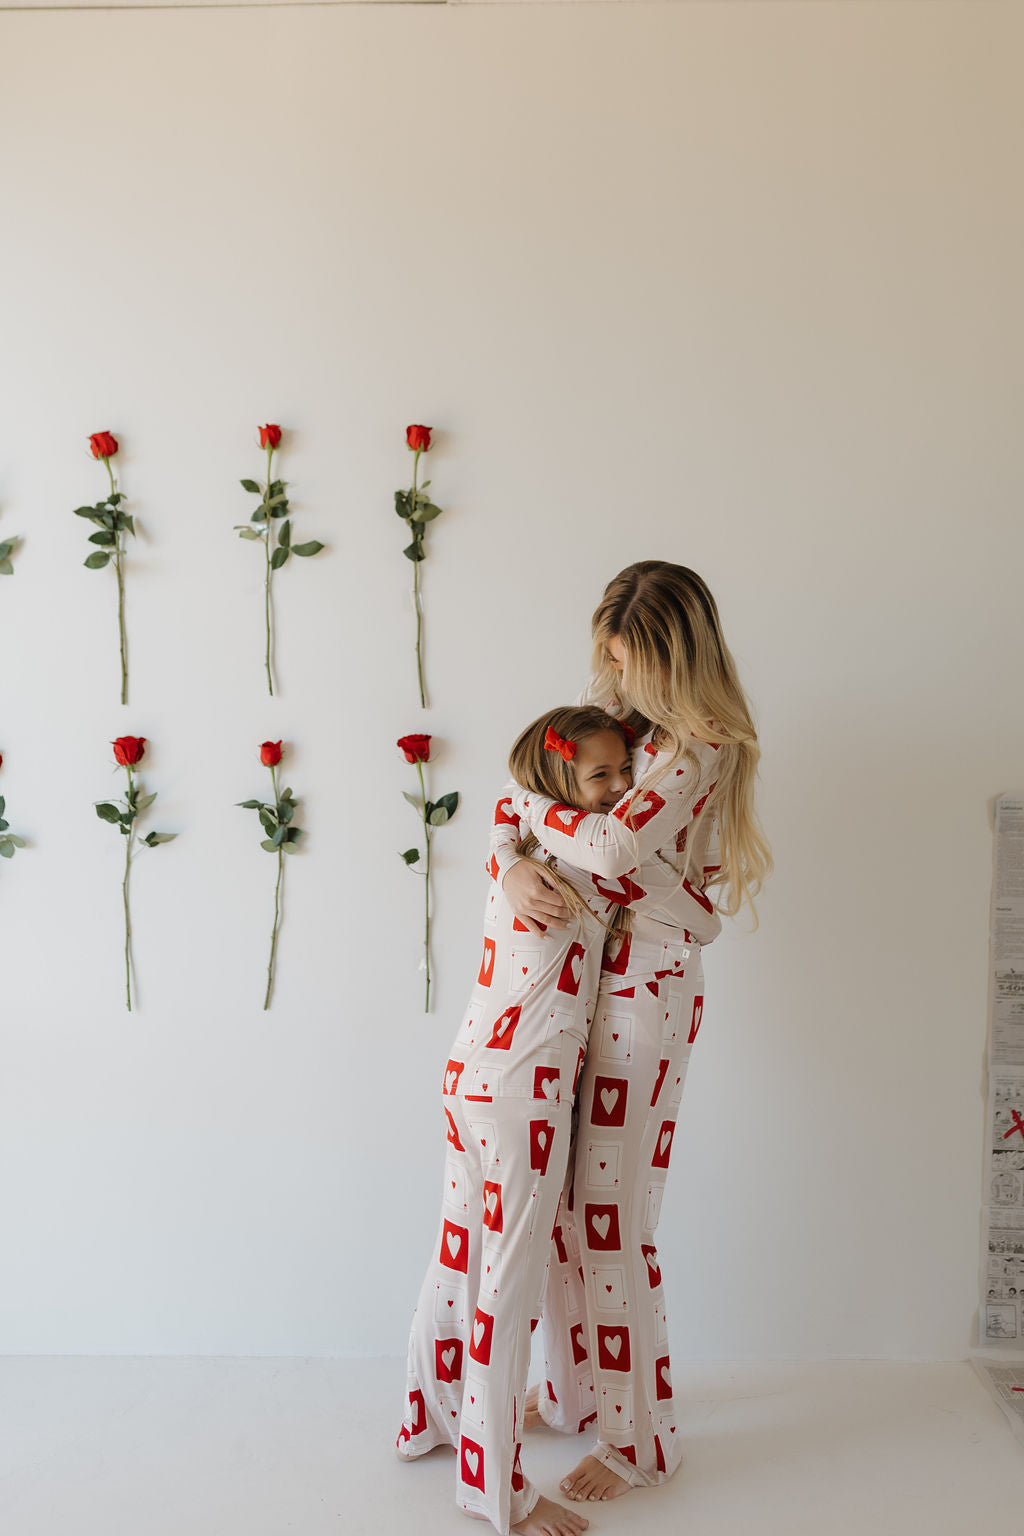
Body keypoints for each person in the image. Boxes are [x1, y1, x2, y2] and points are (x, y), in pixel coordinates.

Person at [397, 703, 716, 1536]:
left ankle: (423, 1418)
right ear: (559, 784)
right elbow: (700, 917)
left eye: (624, 773)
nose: (619, 791)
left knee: (456, 1254)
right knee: (509, 1285)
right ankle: (493, 1491)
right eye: (600, 776)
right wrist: (541, 819)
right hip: (522, 1096)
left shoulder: (527, 860)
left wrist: (513, 831)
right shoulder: (583, 862)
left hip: (472, 1073)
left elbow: (516, 809)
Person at [491, 560, 771, 1506]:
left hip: (646, 986)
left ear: (672, 658)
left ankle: (642, 1440)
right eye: (609, 657)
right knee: (567, 1206)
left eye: (631, 660)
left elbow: (604, 846)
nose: (615, 677)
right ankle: (576, 1393)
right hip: (581, 974)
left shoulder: (702, 743)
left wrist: (526, 814)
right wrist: (506, 864)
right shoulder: (626, 733)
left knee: (612, 1218)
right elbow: (532, 813)